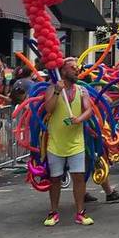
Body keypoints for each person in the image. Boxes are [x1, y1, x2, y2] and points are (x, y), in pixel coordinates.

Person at [43, 57, 95, 227]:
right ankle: (53, 212)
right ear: (63, 70)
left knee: (79, 178)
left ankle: (80, 212)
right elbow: (48, 109)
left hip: (76, 142)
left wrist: (78, 119)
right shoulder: (52, 89)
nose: (76, 70)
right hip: (56, 143)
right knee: (55, 179)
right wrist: (57, 91)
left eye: (77, 68)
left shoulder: (82, 90)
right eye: (72, 68)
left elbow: (89, 110)